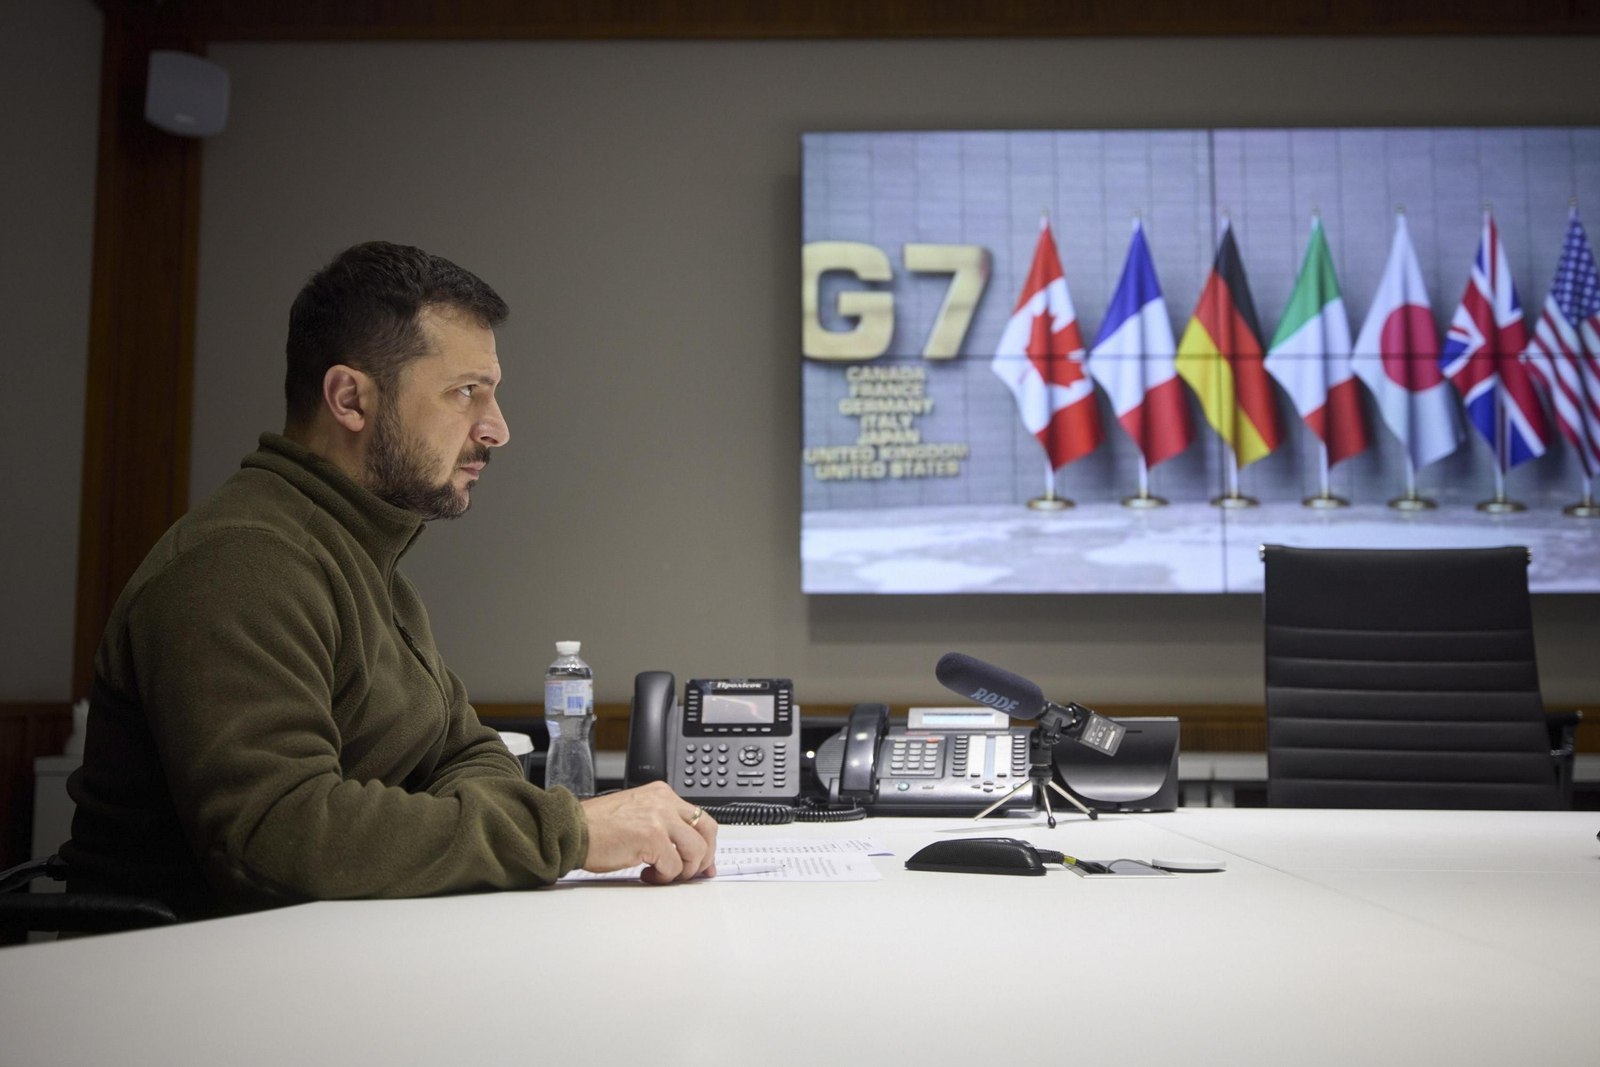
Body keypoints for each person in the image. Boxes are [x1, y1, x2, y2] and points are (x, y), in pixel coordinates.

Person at [61, 241, 716, 919]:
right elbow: (279, 839)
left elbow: (467, 754)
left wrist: (468, 825)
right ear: (349, 399)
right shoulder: (242, 562)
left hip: (308, 971)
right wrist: (569, 831)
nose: (498, 428)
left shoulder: (365, 560)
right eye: (467, 393)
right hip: (186, 997)